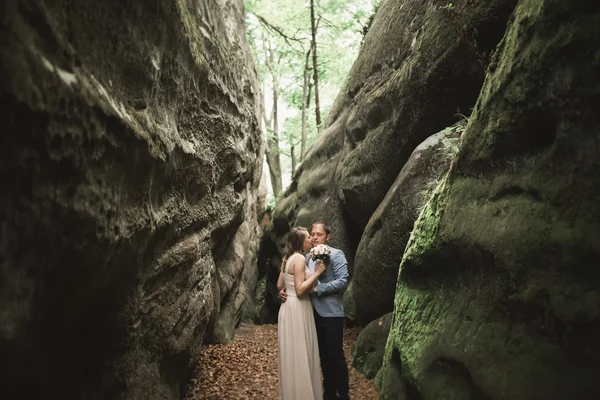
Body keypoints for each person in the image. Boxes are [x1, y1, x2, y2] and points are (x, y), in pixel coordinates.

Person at [280, 221, 350, 400]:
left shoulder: (337, 254)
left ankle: (343, 394)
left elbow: (343, 281)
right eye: (312, 234)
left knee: (335, 354)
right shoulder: (307, 257)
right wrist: (283, 291)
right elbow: (297, 281)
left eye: (319, 234)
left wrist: (320, 289)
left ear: (328, 236)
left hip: (331, 312)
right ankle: (328, 393)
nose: (315, 237)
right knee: (322, 356)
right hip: (311, 313)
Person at [277, 227, 326, 400]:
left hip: (287, 307)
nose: (310, 240)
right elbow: (299, 290)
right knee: (300, 352)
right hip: (297, 306)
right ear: (300, 241)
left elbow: (279, 284)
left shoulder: (287, 258)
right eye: (307, 238)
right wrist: (317, 273)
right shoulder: (298, 258)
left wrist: (283, 291)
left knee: (294, 353)